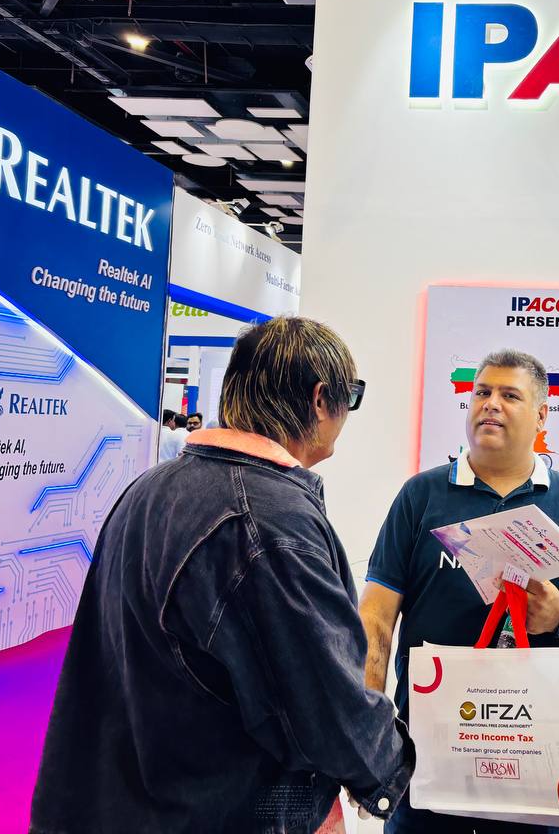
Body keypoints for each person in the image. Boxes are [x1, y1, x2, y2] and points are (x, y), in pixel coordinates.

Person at [31, 317, 413, 834]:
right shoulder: (269, 521)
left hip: (128, 798)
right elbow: (324, 702)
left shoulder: (151, 488)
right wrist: (392, 767)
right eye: (353, 396)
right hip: (218, 807)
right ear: (322, 400)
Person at [360, 348, 559, 834]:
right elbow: (375, 618)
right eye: (482, 392)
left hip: (533, 762)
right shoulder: (421, 496)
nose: (490, 404)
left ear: (542, 416)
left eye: (510, 395)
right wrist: (366, 734)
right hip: (427, 758)